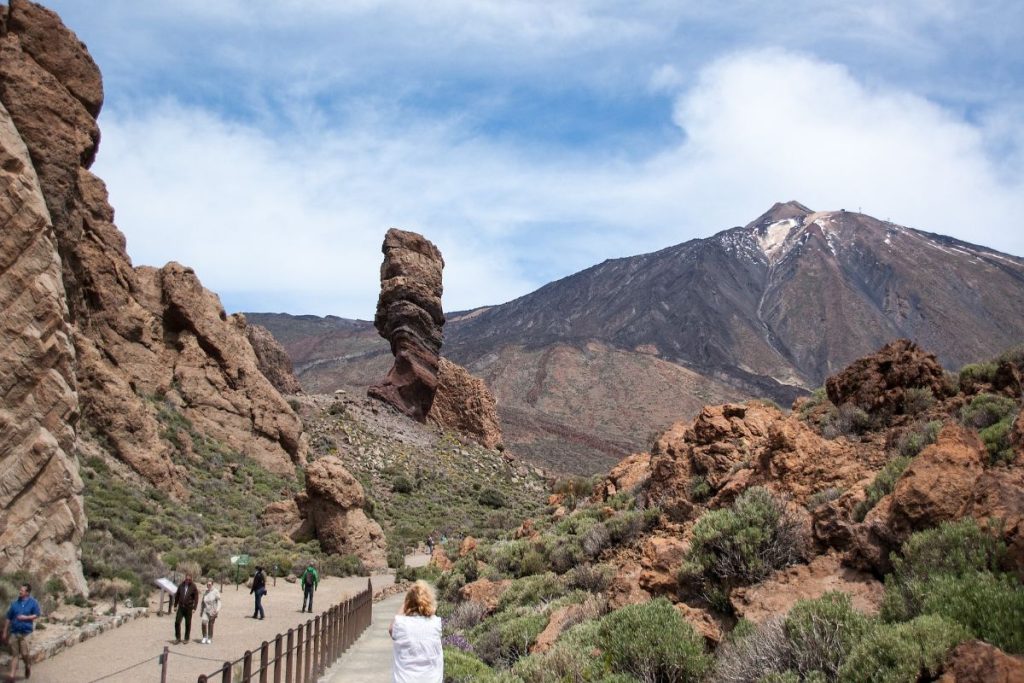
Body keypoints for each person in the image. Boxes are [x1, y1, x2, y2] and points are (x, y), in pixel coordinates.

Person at [388, 580, 442, 683]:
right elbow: (433, 611)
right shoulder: (435, 623)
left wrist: (407, 601)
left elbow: (391, 629)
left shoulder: (400, 624)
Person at [3, 583, 41, 681]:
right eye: (20, 590)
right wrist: (4, 631)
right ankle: (12, 677)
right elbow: (8, 618)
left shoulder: (33, 603)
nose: (20, 591)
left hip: (26, 633)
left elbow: (37, 614)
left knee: (24, 654)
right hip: (14, 632)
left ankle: (27, 666)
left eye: (22, 590)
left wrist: (26, 617)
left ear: (27, 593)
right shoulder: (14, 603)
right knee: (14, 655)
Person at [173, 573, 199, 644]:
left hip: (189, 608)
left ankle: (186, 638)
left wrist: (194, 607)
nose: (187, 580)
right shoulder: (181, 585)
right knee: (177, 622)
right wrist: (175, 605)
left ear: (191, 579)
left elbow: (196, 597)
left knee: (188, 623)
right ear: (185, 578)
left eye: (189, 579)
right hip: (181, 607)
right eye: (186, 579)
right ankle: (178, 638)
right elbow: (177, 595)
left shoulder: (193, 586)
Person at [200, 580, 221, 644]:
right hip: (205, 610)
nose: (208, 585)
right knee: (203, 622)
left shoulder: (216, 592)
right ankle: (204, 636)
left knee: (210, 624)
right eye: (207, 584)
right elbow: (202, 602)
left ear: (212, 584)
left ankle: (209, 637)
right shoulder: (205, 592)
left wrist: (217, 610)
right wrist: (201, 611)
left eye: (210, 584)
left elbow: (219, 602)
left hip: (213, 610)